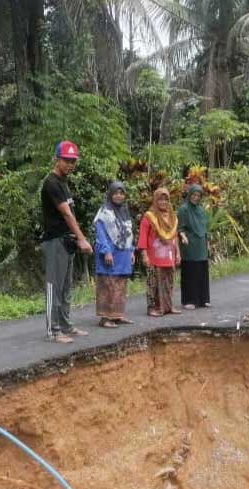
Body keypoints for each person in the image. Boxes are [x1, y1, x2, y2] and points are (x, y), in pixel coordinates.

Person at [41, 140, 93, 343]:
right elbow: (66, 214)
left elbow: (71, 212)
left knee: (66, 287)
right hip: (55, 241)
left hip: (66, 240)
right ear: (57, 159)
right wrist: (82, 239)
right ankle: (53, 331)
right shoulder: (51, 183)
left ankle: (66, 325)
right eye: (67, 160)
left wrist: (77, 237)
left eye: (73, 161)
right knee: (54, 286)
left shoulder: (64, 182)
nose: (70, 164)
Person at [93, 181, 135, 328]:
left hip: (123, 254)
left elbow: (129, 233)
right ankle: (105, 318)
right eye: (116, 193)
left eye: (121, 193)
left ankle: (117, 315)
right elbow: (100, 233)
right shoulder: (104, 211)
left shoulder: (124, 211)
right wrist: (106, 251)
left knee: (120, 284)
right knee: (108, 284)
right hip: (110, 253)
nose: (118, 196)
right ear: (110, 194)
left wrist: (131, 250)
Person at [137, 186, 181, 317]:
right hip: (153, 257)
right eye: (160, 200)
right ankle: (152, 308)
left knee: (169, 281)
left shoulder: (172, 216)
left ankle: (168, 306)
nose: (163, 203)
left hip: (169, 256)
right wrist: (144, 255)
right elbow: (143, 237)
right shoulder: (149, 217)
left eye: (166, 200)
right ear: (155, 201)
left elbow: (174, 236)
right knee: (153, 283)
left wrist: (178, 253)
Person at [177, 183, 211, 309]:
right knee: (191, 272)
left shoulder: (201, 210)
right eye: (194, 194)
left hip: (201, 244)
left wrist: (207, 243)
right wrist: (183, 236)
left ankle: (203, 299)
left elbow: (205, 228)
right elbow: (180, 227)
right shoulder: (183, 209)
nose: (196, 197)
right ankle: (189, 300)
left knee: (202, 271)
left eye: (198, 195)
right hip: (190, 244)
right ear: (189, 194)